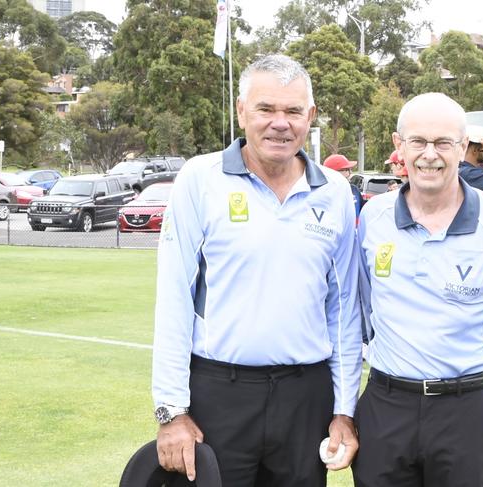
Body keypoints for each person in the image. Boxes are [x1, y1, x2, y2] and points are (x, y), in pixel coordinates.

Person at [152, 54, 362, 487]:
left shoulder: (336, 192)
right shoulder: (199, 179)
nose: (280, 123)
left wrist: (344, 410)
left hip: (307, 396)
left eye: (293, 111)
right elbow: (174, 295)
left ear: (311, 116)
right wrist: (171, 410)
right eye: (266, 109)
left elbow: (343, 310)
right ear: (242, 111)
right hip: (219, 393)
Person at [352, 93, 483, 487]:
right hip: (386, 405)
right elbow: (364, 309)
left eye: (443, 143)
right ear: (398, 145)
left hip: (467, 410)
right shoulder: (374, 217)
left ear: (461, 148)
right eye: (417, 141)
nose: (429, 155)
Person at [323, 153, 364, 219]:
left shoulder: (354, 190)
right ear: (334, 172)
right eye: (347, 169)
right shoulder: (321, 194)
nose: (351, 172)